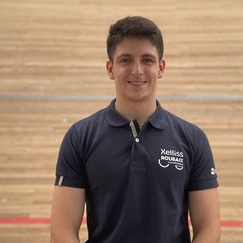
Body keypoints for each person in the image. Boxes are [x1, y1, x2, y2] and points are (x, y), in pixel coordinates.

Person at [51, 16, 220, 243]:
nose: (137, 70)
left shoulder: (192, 138)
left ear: (161, 67)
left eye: (147, 60)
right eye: (126, 60)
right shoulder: (80, 137)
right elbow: (62, 232)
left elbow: (209, 231)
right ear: (110, 68)